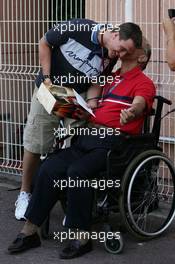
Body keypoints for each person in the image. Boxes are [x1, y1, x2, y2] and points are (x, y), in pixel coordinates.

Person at [8, 37, 156, 258]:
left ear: (142, 56)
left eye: (133, 43)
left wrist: (132, 112)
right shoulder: (108, 78)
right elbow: (90, 95)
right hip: (88, 136)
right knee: (50, 167)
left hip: (115, 144)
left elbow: (140, 103)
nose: (123, 44)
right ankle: (30, 231)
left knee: (78, 171)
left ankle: (82, 237)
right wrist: (80, 106)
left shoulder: (143, 82)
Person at [15, 19, 143, 220]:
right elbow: (44, 42)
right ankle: (24, 194)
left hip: (77, 96)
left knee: (75, 142)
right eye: (122, 49)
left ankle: (69, 201)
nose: (122, 56)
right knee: (36, 142)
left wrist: (92, 103)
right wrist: (47, 78)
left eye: (127, 53)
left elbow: (97, 80)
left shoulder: (110, 54)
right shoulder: (78, 27)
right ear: (115, 34)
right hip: (51, 89)